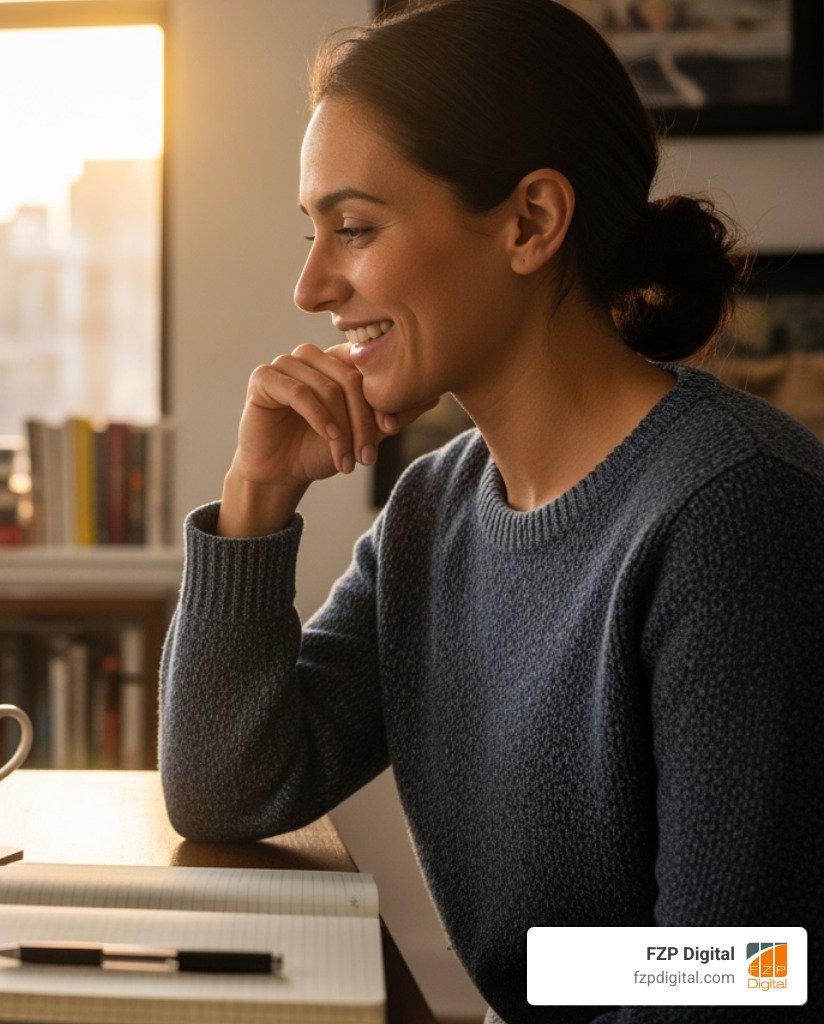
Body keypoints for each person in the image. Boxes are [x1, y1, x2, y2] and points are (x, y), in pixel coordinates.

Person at [157, 3, 823, 1023]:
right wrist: (254, 501)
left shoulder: (733, 511)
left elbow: (740, 974)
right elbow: (228, 787)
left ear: (531, 223)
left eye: (354, 227)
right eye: (312, 231)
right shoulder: (435, 508)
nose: (310, 286)